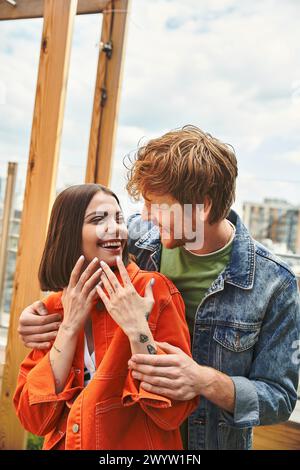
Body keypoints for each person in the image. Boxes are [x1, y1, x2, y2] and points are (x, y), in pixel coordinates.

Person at [18, 126, 300, 450]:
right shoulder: (136, 240)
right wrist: (41, 314)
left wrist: (204, 380)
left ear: (202, 207)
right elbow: (76, 260)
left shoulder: (274, 284)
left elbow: (279, 398)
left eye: (156, 205)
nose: (145, 216)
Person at [13, 183, 198, 450]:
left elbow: (172, 413)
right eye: (99, 219)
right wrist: (69, 326)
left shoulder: (154, 292)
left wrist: (137, 329)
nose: (117, 228)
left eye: (119, 218)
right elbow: (34, 419)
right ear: (69, 233)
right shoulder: (54, 307)